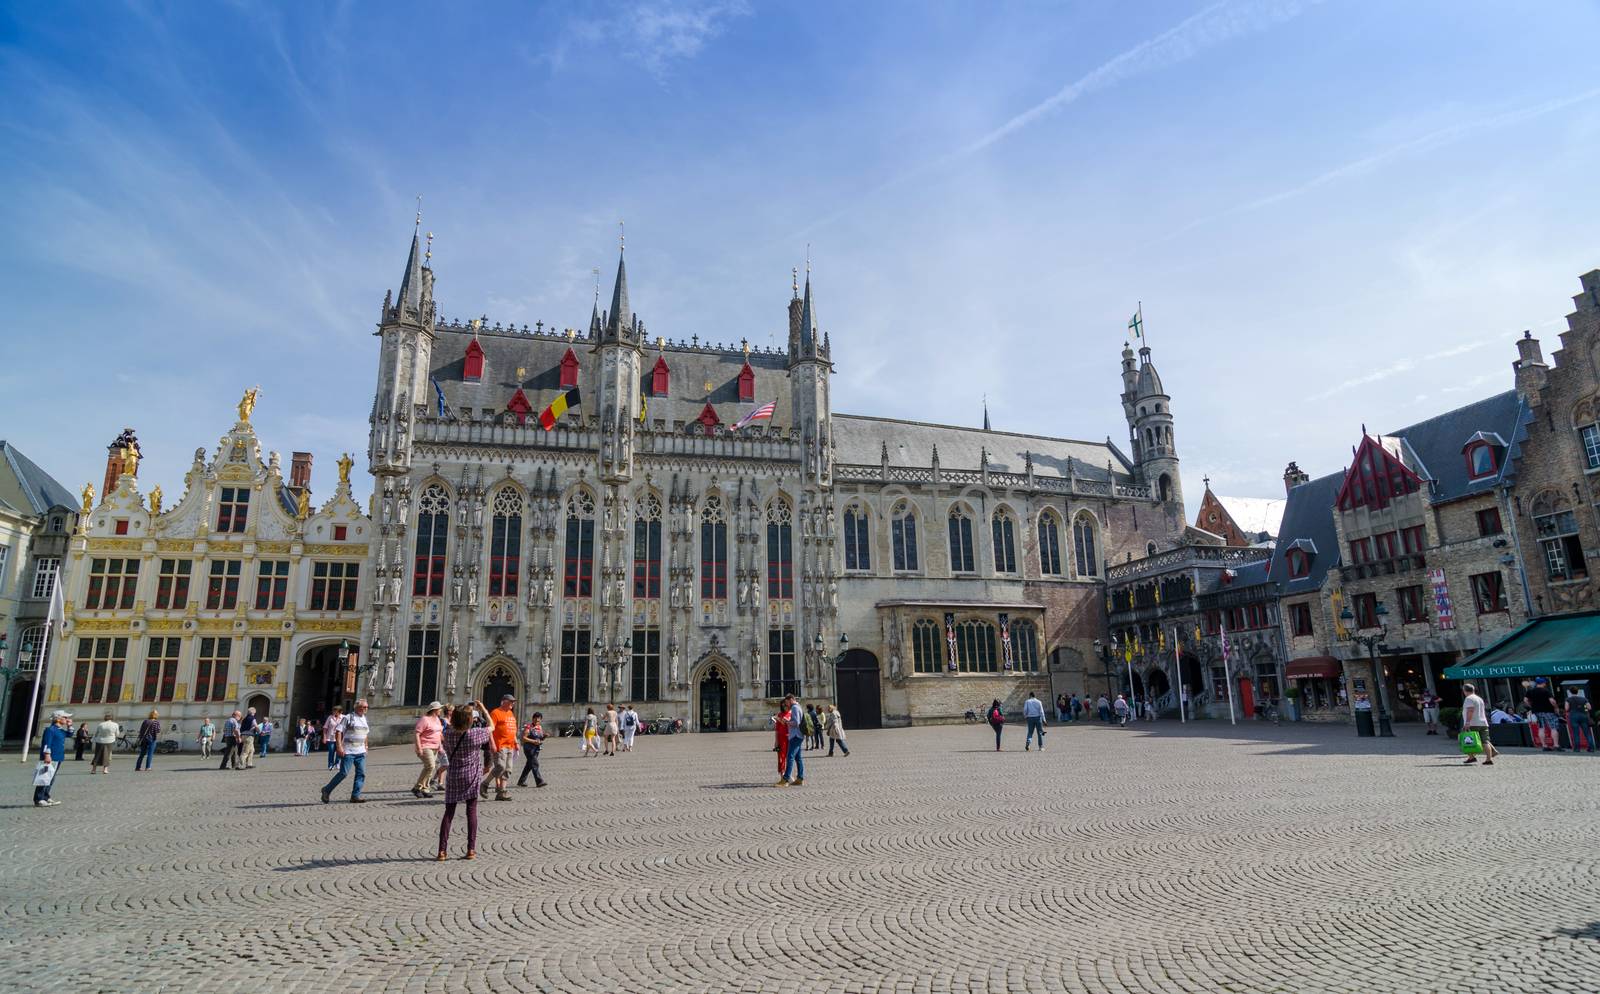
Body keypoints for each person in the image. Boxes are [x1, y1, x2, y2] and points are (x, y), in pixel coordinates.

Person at [438, 700, 493, 860]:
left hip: (454, 774)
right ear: (469, 720)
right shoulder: (474, 734)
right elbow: (491, 726)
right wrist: (483, 708)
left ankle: (442, 851)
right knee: (471, 811)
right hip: (471, 775)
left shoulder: (447, 733)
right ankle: (471, 849)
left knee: (448, 813)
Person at [320, 699, 371, 804]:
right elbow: (339, 732)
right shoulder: (348, 717)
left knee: (361, 773)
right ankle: (326, 789)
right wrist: (339, 747)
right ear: (357, 707)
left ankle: (355, 796)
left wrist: (366, 746)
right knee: (343, 773)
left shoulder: (364, 719)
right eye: (364, 707)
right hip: (349, 751)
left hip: (360, 752)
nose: (366, 709)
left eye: (367, 707)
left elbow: (365, 734)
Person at [34, 710, 72, 806]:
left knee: (51, 778)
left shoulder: (61, 730)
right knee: (44, 777)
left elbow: (70, 734)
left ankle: (46, 796)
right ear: (58, 719)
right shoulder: (50, 730)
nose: (67, 719)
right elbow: (47, 743)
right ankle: (39, 798)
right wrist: (47, 754)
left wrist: (69, 726)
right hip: (50, 757)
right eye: (65, 717)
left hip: (58, 757)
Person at [486, 695, 518, 800]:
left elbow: (512, 728)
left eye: (513, 702)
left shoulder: (510, 713)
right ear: (504, 701)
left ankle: (502, 793)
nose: (513, 704)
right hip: (500, 745)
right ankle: (485, 784)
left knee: (508, 770)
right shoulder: (495, 713)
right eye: (511, 702)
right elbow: (489, 729)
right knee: (500, 767)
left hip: (510, 745)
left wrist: (516, 742)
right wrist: (492, 743)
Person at [1461, 682, 1497, 766]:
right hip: (1483, 722)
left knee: (1467, 740)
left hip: (1473, 723)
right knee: (1485, 741)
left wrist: (1467, 722)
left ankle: (1471, 757)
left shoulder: (1469, 698)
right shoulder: (1479, 698)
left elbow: (1470, 710)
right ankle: (1488, 759)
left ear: (1464, 691)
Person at [413, 701, 444, 799]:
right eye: (439, 708)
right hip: (425, 746)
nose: (441, 710)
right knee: (431, 766)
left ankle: (425, 789)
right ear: (434, 710)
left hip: (435, 747)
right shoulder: (425, 719)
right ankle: (417, 787)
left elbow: (439, 734)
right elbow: (417, 733)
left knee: (429, 768)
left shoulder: (438, 719)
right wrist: (418, 747)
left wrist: (440, 746)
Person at [1524, 677, 1563, 751]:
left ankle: (1544, 745)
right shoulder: (1546, 691)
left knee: (1541, 728)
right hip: (1548, 711)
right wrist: (1556, 708)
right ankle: (1556, 745)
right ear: (1543, 683)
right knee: (1553, 727)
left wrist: (1532, 706)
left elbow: (1525, 700)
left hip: (1537, 711)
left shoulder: (1530, 691)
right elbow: (1552, 701)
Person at [777, 694, 805, 786]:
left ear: (791, 700)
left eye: (787, 702)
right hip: (798, 735)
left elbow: (796, 722)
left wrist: (787, 722)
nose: (787, 705)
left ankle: (785, 779)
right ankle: (800, 778)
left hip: (795, 735)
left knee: (790, 756)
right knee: (798, 758)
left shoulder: (795, 708)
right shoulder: (798, 707)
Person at [518, 711, 548, 788]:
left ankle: (521, 781)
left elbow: (540, 738)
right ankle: (539, 781)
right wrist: (534, 741)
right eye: (535, 719)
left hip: (536, 749)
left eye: (538, 720)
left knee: (529, 765)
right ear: (532, 719)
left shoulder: (539, 727)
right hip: (529, 749)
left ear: (540, 720)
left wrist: (544, 736)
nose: (536, 721)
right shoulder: (528, 727)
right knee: (535, 764)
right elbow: (524, 738)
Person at [1565, 686, 1594, 753]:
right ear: (1578, 691)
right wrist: (1584, 709)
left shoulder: (1568, 699)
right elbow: (1589, 707)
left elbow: (1566, 708)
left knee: (1576, 733)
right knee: (1587, 733)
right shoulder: (1584, 699)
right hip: (1583, 716)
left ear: (1570, 692)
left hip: (1573, 716)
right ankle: (1591, 748)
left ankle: (1577, 749)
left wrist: (1571, 709)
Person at [432, 705, 452, 791]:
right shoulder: (443, 721)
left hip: (450, 745)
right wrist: (443, 739)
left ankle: (440, 783)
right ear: (449, 711)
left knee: (444, 763)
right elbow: (440, 732)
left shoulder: (452, 720)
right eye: (452, 710)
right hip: (443, 744)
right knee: (445, 764)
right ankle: (433, 779)